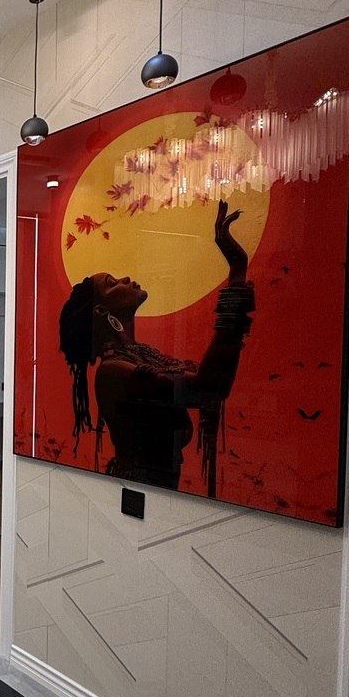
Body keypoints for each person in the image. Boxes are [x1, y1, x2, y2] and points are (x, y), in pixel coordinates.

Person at [57, 199, 254, 495]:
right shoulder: (114, 371)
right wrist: (237, 271)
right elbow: (209, 385)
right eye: (112, 283)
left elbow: (207, 380)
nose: (125, 278)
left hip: (156, 492)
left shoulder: (142, 356)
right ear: (102, 312)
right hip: (140, 490)